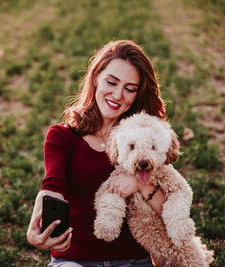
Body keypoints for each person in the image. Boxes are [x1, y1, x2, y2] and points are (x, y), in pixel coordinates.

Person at [27, 40, 167, 267]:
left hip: (132, 260)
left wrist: (140, 184)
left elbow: (168, 209)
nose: (118, 95)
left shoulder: (144, 139)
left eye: (130, 89)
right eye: (111, 82)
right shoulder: (63, 136)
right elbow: (52, 187)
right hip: (74, 261)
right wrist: (35, 225)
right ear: (95, 78)